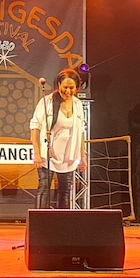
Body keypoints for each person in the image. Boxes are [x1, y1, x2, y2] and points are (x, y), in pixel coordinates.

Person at [29, 68, 87, 209]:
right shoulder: (47, 102)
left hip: (68, 154)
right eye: (65, 87)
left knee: (65, 191)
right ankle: (40, 224)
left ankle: (63, 225)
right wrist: (36, 153)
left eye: (71, 87)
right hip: (47, 154)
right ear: (58, 85)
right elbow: (34, 128)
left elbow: (81, 131)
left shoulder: (78, 104)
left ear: (77, 88)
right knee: (44, 188)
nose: (68, 91)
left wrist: (83, 155)